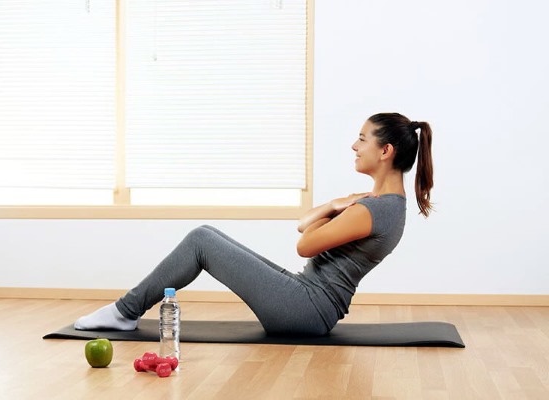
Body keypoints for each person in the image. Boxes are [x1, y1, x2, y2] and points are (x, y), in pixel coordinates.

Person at [75, 112, 434, 336]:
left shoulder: (373, 210)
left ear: (385, 151)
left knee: (201, 240)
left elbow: (304, 244)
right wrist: (334, 204)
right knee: (209, 234)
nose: (354, 145)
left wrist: (332, 211)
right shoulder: (376, 205)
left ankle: (124, 311)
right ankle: (125, 310)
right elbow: (304, 225)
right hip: (307, 297)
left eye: (362, 138)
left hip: (306, 308)